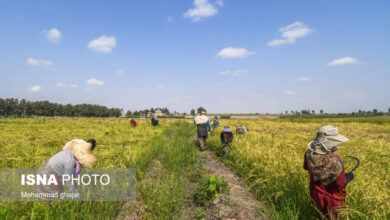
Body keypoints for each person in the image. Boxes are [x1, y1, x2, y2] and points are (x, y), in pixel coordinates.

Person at [303, 125, 349, 219]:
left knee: (320, 215)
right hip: (332, 198)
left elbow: (306, 167)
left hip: (316, 193)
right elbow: (339, 184)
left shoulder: (308, 154)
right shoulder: (336, 161)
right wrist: (348, 178)